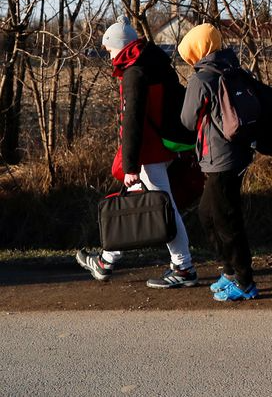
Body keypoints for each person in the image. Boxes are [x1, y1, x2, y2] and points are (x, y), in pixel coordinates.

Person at [75, 17, 199, 289]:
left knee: (164, 208)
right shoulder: (155, 64)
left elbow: (132, 121)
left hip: (149, 150)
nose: (108, 55)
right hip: (162, 145)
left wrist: (131, 165)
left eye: (108, 50)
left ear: (120, 46)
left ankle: (184, 266)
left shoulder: (134, 73)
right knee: (138, 202)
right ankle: (106, 261)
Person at [178, 23, 258, 302]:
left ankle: (245, 281)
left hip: (219, 159)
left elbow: (187, 121)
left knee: (225, 221)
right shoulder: (233, 67)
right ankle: (231, 271)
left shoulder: (201, 79)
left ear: (196, 51)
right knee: (209, 214)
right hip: (237, 154)